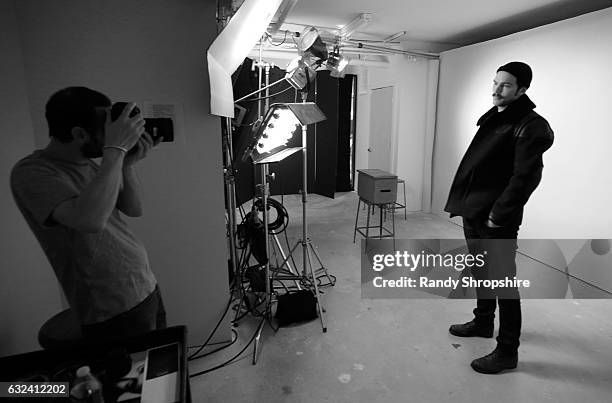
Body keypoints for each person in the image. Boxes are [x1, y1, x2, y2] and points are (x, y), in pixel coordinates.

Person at [11, 87, 165, 342]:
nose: (111, 139)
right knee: (132, 379)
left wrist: (125, 164)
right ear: (79, 134)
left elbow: (133, 208)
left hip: (143, 285)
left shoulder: (93, 165)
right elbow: (89, 220)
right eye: (107, 131)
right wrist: (115, 151)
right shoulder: (32, 173)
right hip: (109, 308)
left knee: (165, 369)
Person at [444, 62, 554, 374]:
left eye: (505, 85)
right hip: (474, 210)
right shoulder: (498, 117)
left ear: (522, 90)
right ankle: (482, 322)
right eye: (495, 83)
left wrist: (498, 215)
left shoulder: (532, 126)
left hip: (496, 218)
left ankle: (507, 351)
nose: (496, 89)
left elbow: (525, 178)